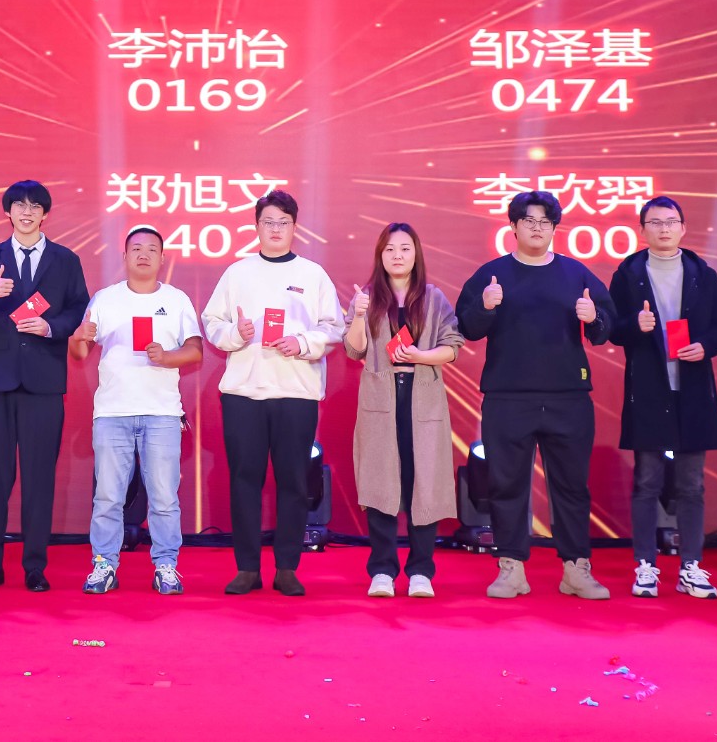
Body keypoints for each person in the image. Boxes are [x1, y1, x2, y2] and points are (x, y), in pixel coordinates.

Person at [455, 190, 616, 600]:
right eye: (529, 220)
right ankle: (511, 567)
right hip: (508, 397)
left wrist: (594, 317)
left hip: (568, 396)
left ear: (555, 227)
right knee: (506, 484)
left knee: (572, 486)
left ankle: (576, 568)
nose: (537, 228)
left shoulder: (575, 273)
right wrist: (486, 307)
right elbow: (466, 327)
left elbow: (607, 327)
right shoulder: (492, 274)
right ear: (513, 226)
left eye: (545, 221)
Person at [202, 190, 345, 596]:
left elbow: (333, 327)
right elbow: (212, 321)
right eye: (268, 222)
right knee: (244, 480)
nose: (276, 229)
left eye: (283, 222)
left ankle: (287, 567)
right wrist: (236, 334)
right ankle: (247, 568)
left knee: (293, 482)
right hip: (243, 393)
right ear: (256, 227)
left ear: (295, 227)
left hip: (296, 391)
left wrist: (302, 342)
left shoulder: (313, 274)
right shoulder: (238, 273)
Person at [0, 180, 90, 592]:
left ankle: (35, 566)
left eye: (34, 206)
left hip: (44, 382)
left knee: (39, 477)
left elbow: (79, 306)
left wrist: (52, 327)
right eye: (19, 205)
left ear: (45, 214)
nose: (26, 212)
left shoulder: (65, 260)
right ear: (8, 212)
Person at [607, 196, 717, 599]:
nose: (663, 229)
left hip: (693, 389)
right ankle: (645, 565)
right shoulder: (628, 274)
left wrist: (706, 346)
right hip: (649, 390)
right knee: (646, 481)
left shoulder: (702, 274)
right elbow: (611, 328)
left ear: (683, 228)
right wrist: (635, 324)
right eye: (655, 223)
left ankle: (691, 566)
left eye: (670, 222)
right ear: (642, 230)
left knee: (691, 485)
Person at [70, 226, 203, 595]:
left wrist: (167, 357)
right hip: (112, 412)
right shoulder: (105, 299)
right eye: (136, 249)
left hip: (162, 413)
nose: (144, 255)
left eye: (152, 249)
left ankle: (166, 566)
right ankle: (104, 565)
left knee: (164, 497)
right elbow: (80, 352)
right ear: (125, 256)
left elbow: (195, 350)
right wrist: (77, 338)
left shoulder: (176, 299)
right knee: (108, 497)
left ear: (162, 258)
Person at [342, 222, 464, 598]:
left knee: (422, 483)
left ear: (416, 254)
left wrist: (420, 356)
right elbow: (354, 349)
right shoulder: (366, 297)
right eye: (390, 249)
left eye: (405, 248)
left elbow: (453, 346)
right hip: (380, 399)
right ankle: (382, 570)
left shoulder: (433, 297)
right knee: (380, 483)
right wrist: (359, 315)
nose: (397, 255)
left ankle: (421, 571)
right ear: (380, 255)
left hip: (421, 396)